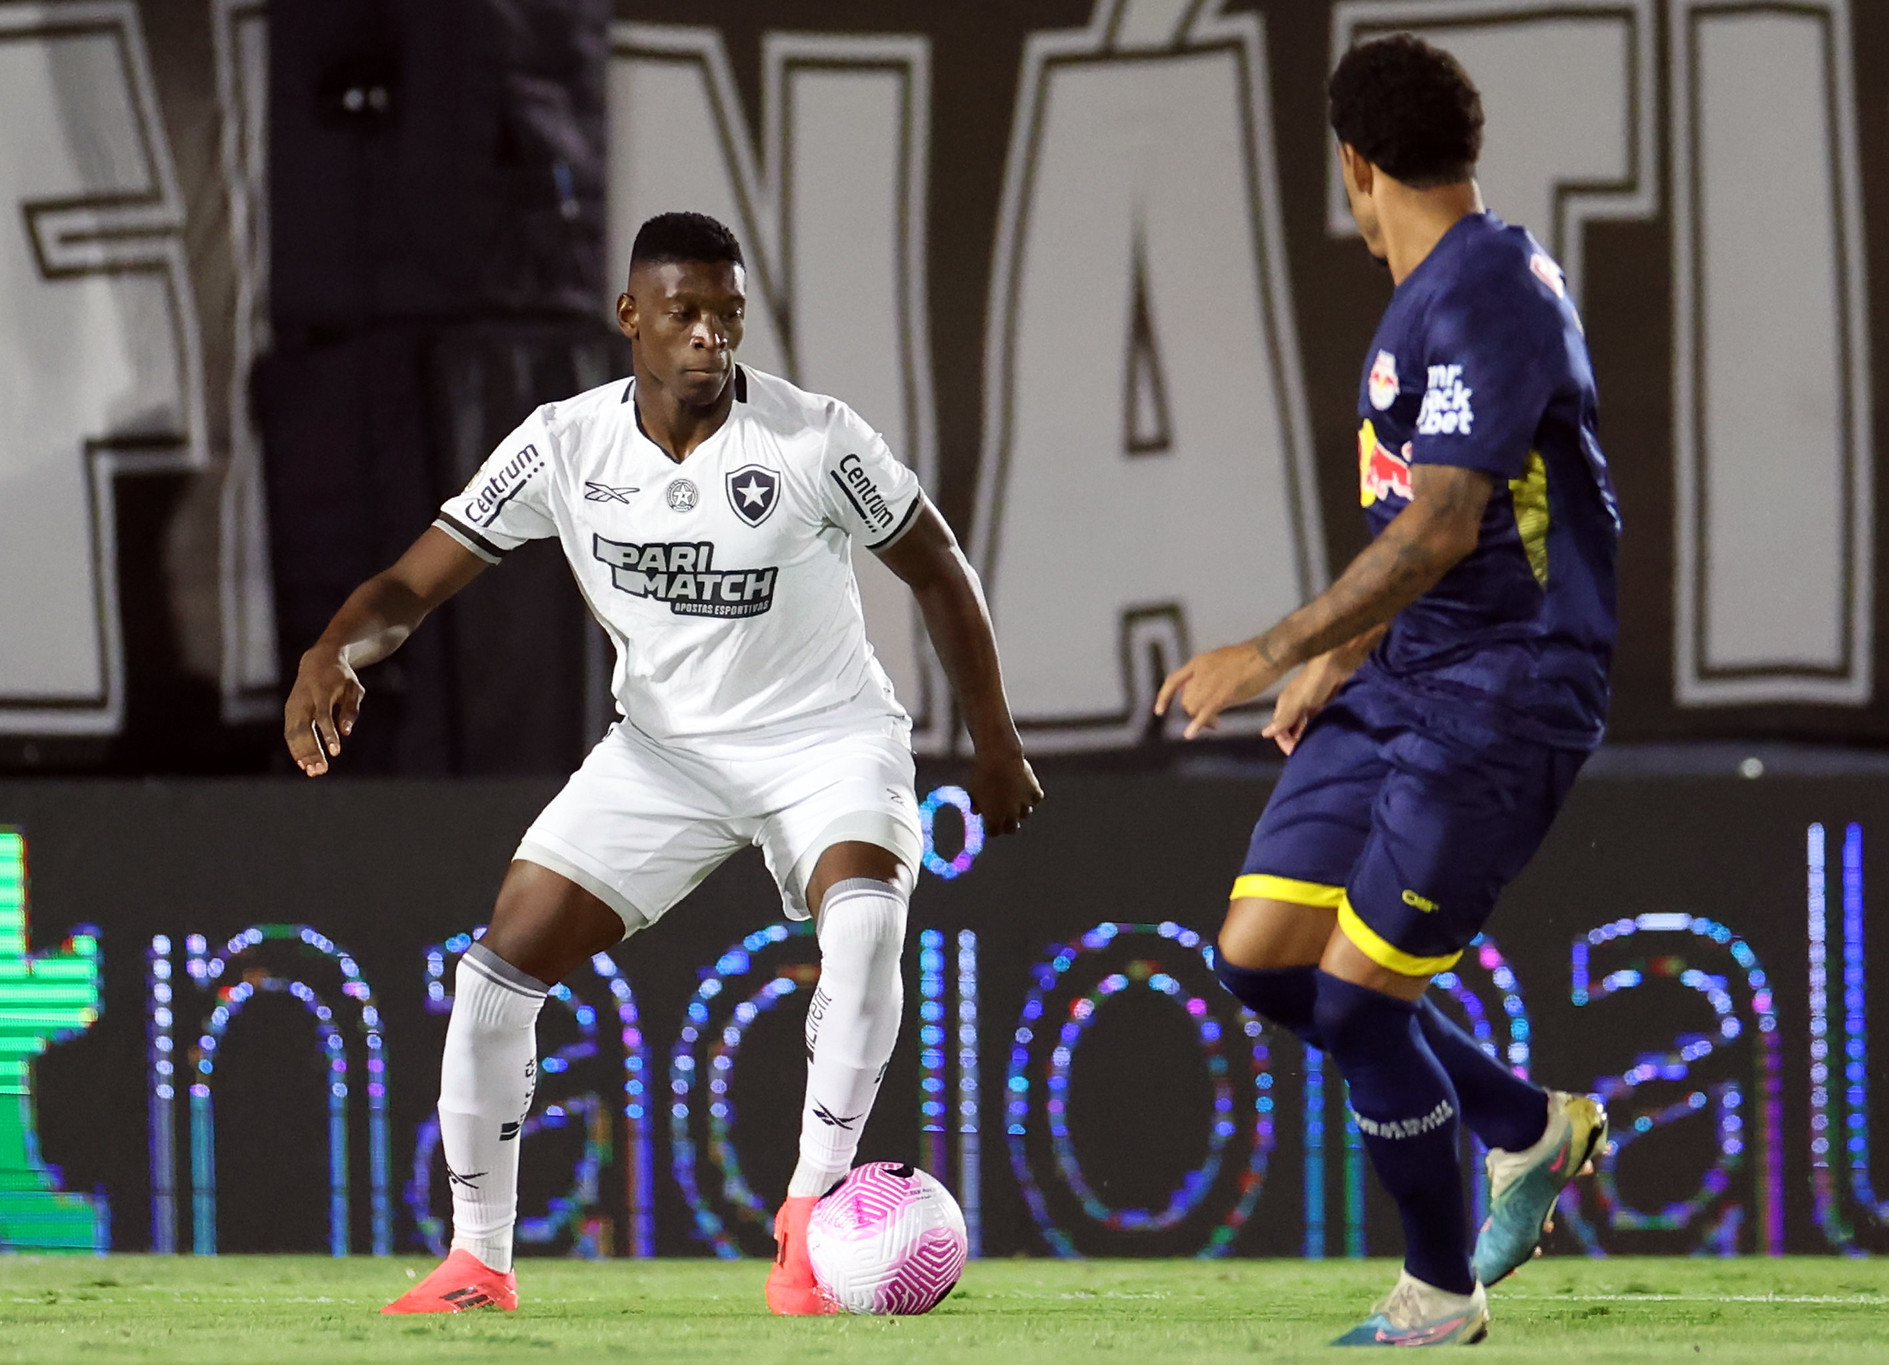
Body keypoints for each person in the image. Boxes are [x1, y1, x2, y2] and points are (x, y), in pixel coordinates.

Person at [285, 211, 1041, 1316]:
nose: (707, 339)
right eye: (682, 314)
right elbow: (410, 586)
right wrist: (330, 649)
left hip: (825, 736)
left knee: (868, 924)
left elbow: (937, 568)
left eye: (726, 316)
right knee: (494, 977)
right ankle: (477, 1263)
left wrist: (995, 739)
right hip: (665, 755)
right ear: (630, 317)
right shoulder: (562, 446)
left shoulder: (814, 440)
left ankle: (805, 1218)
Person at [1156, 35, 1617, 1348]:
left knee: (1361, 1000)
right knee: (1256, 957)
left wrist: (1266, 646)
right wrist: (1337, 659)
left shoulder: (1491, 294)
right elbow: (1415, 536)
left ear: (1354, 165)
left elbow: (1441, 530)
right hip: (1406, 678)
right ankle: (1528, 1124)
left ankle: (1437, 1295)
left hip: (1506, 694)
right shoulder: (1431, 293)